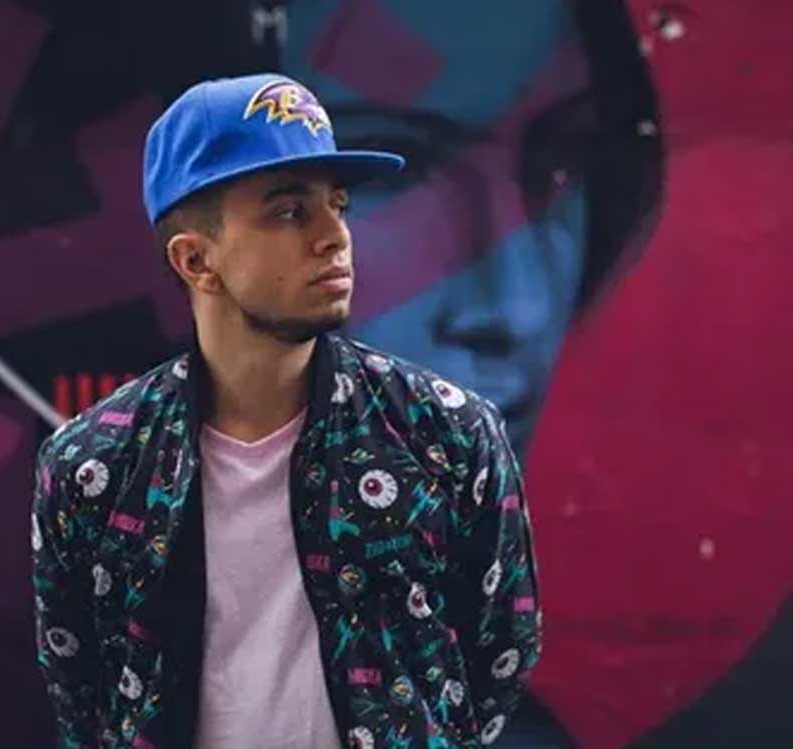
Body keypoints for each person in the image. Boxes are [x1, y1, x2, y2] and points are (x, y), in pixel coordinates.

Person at [31, 73, 541, 749]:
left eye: (338, 205)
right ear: (196, 260)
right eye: (291, 212)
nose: (335, 236)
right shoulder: (93, 465)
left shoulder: (444, 434)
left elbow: (501, 652)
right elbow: (80, 688)